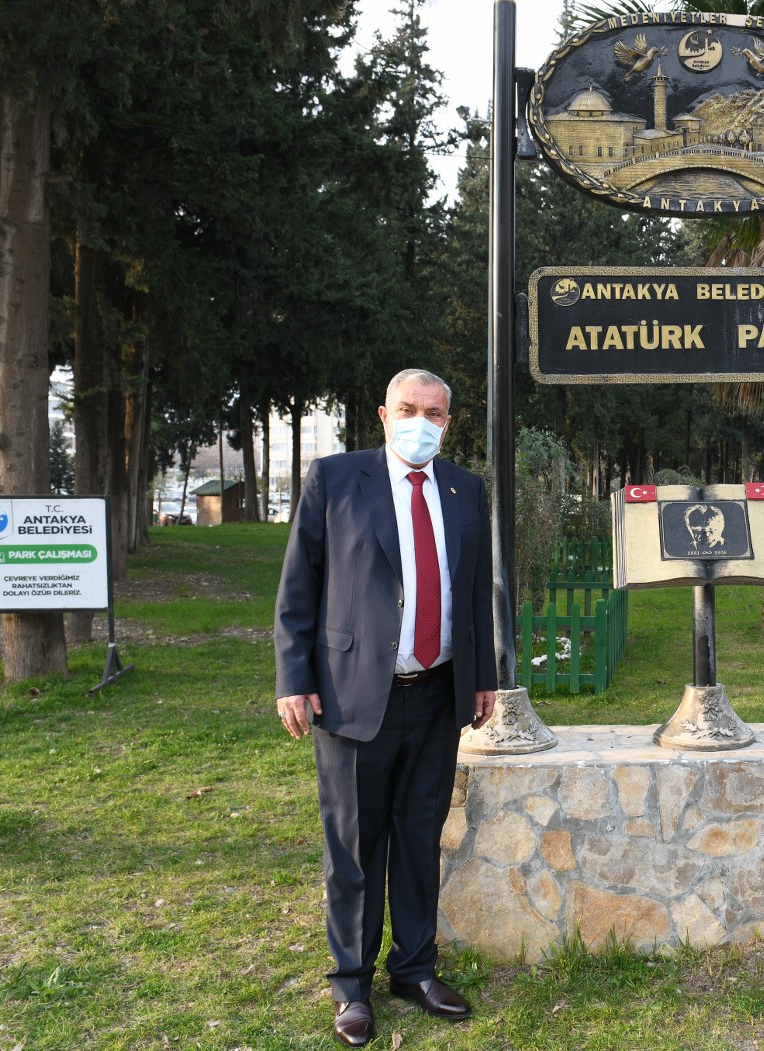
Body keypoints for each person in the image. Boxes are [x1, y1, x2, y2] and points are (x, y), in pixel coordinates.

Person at [274, 369, 497, 1048]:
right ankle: (350, 983)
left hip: (436, 692)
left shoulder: (464, 489)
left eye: (434, 412)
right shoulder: (335, 479)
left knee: (418, 835)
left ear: (448, 423)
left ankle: (414, 967)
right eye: (408, 408)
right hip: (351, 694)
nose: (420, 421)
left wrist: (484, 675)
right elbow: (298, 586)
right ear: (383, 413)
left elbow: (476, 590)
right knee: (354, 847)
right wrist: (293, 676)